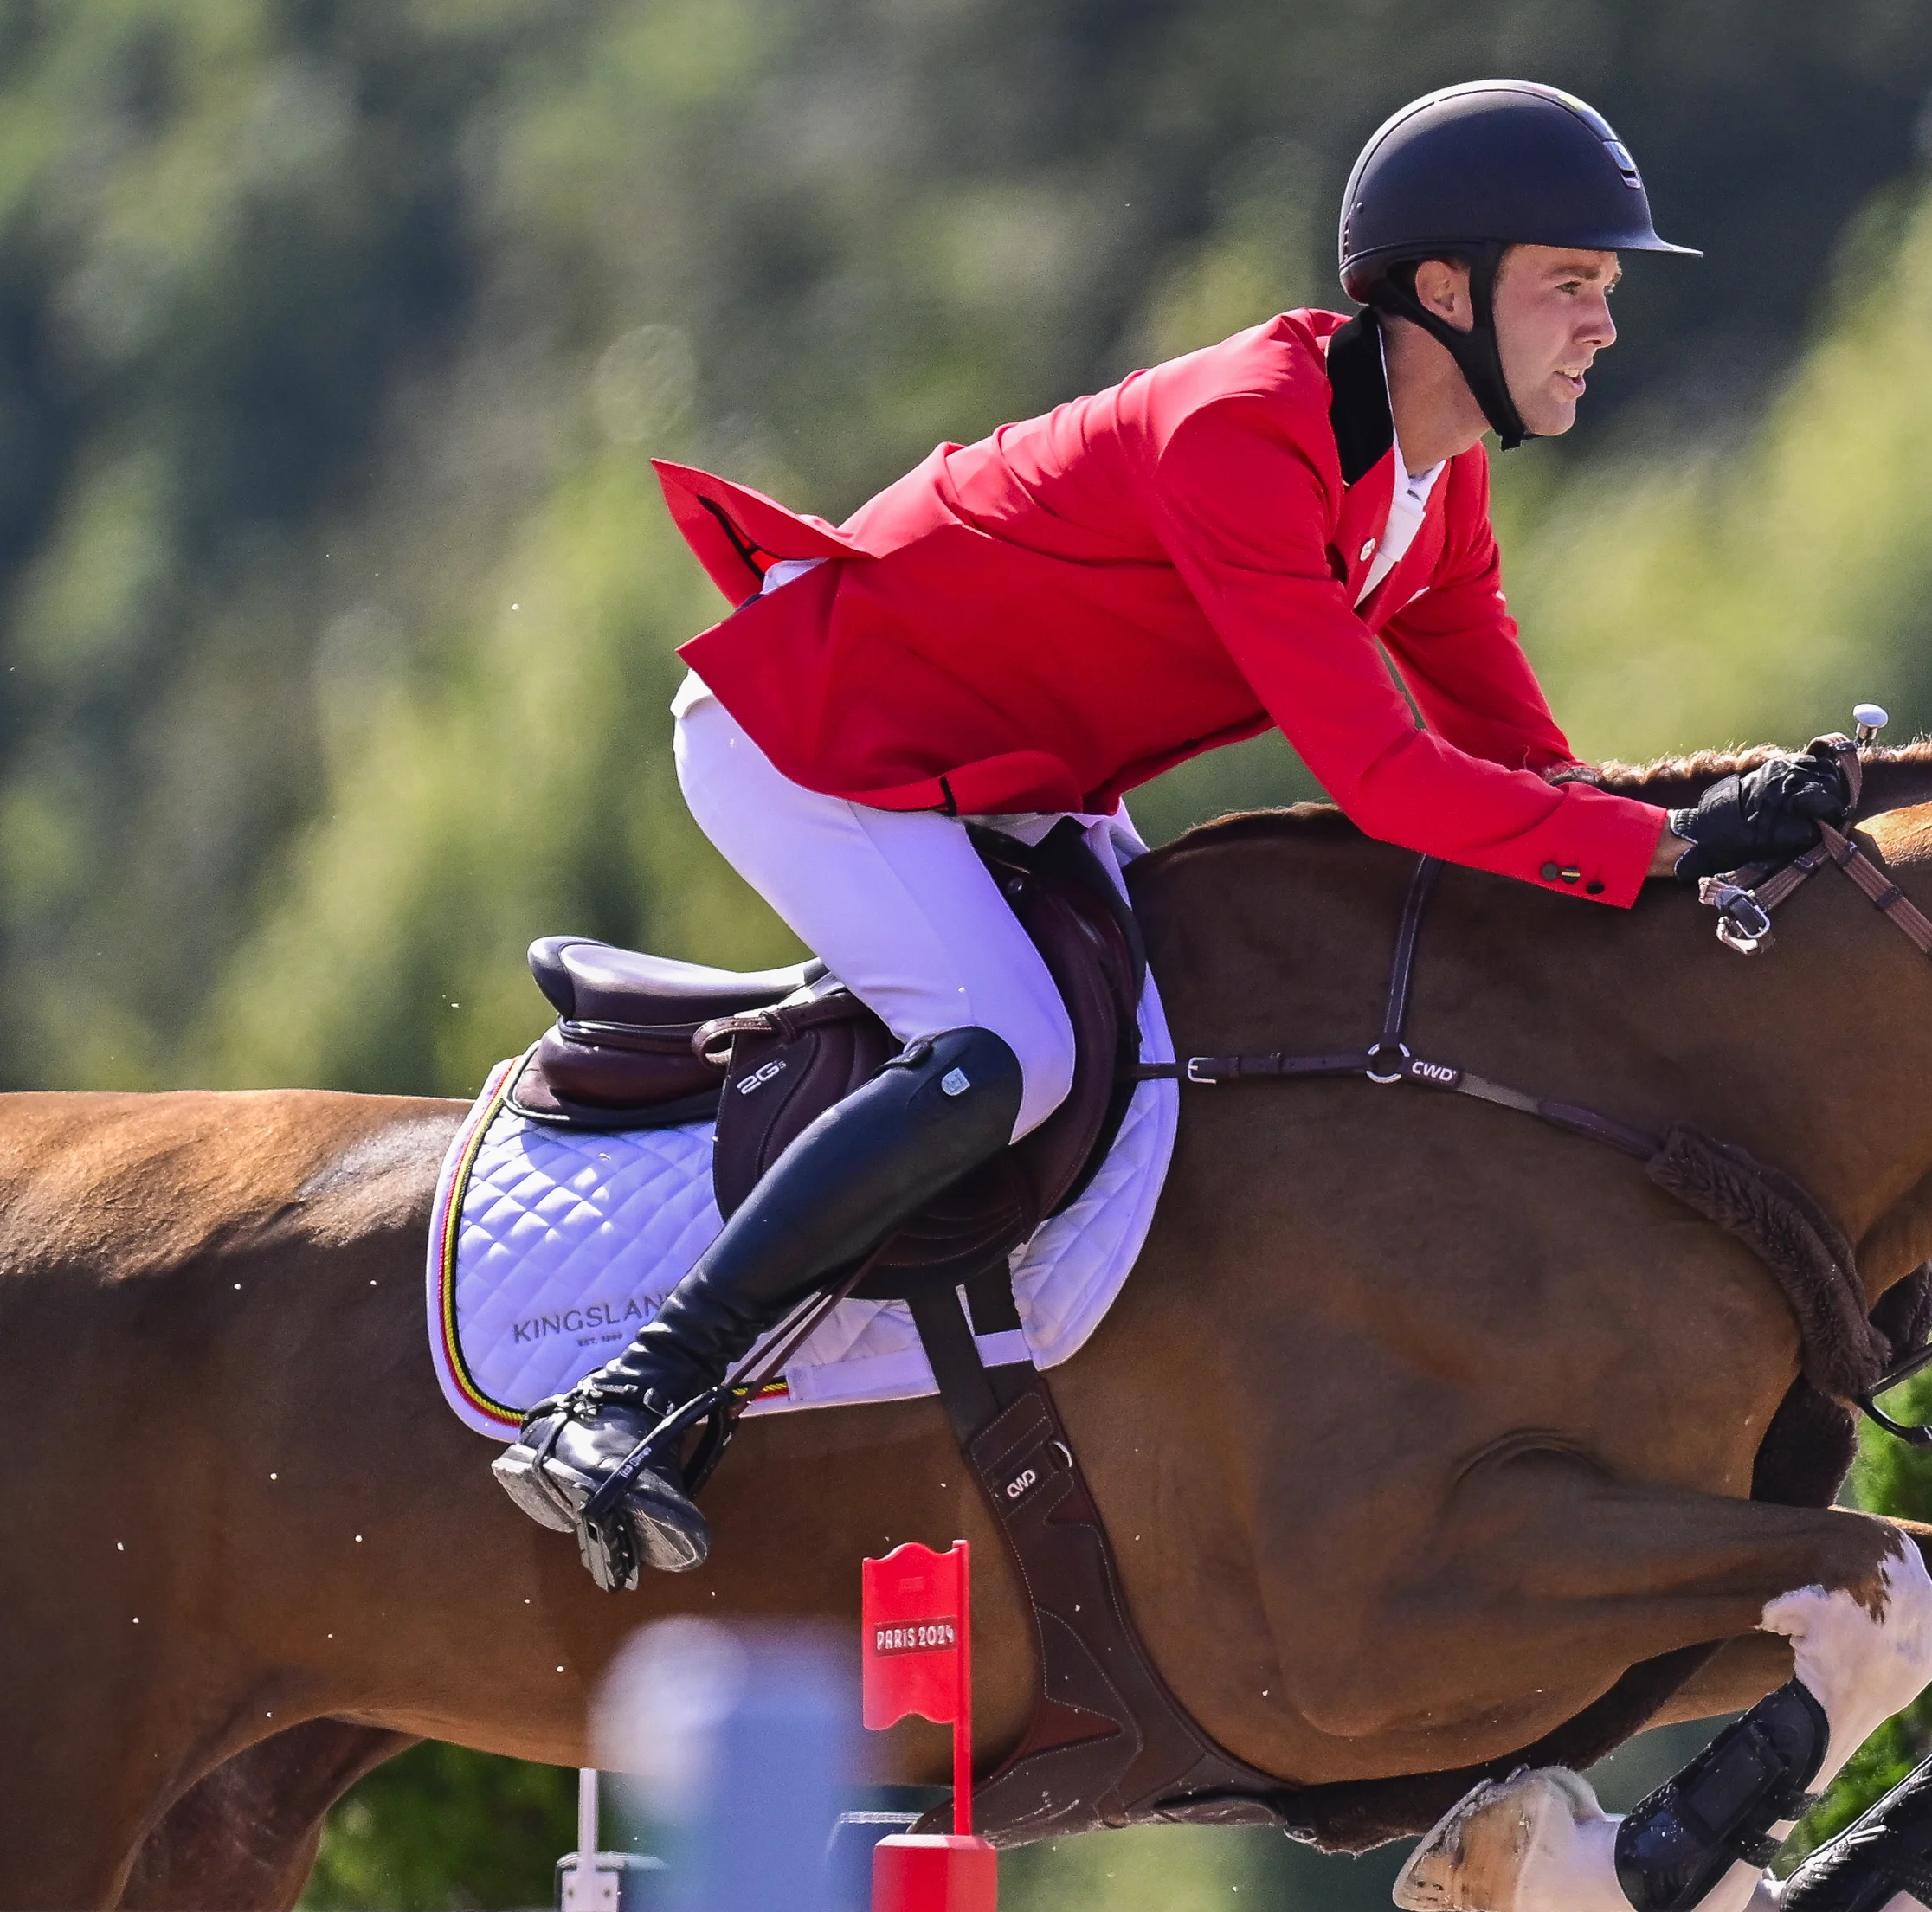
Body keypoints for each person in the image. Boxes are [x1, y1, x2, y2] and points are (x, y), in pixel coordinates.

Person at [493, 80, 1856, 1586]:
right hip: (813, 744)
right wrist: (1660, 850)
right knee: (1018, 1046)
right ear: (1444, 290)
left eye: (1603, 292)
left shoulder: (1433, 484)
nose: (1603, 324)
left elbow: (1523, 765)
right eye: (1572, 286)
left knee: (1196, 1044)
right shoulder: (1241, 433)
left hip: (1016, 774)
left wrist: (1698, 829)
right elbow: (1392, 786)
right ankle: (627, 1400)